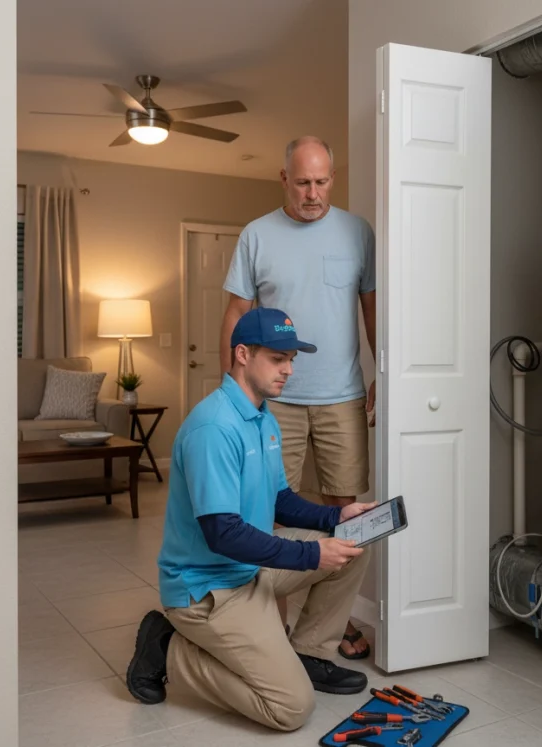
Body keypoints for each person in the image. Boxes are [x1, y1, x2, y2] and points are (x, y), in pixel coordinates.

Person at [126, 307, 375, 732]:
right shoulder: (214, 427)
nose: (289, 370)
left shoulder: (262, 417)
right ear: (243, 354)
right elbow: (222, 533)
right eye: (278, 359)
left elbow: (280, 500)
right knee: (291, 709)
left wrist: (338, 515)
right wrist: (310, 554)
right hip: (209, 590)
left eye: (292, 359)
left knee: (352, 543)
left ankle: (308, 653)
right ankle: (167, 647)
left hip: (249, 569)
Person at [218, 135, 376, 660]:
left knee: (348, 515)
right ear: (283, 178)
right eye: (303, 182)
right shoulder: (257, 235)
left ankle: (319, 638)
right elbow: (237, 315)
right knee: (266, 517)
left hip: (343, 397)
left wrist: (388, 373)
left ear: (333, 177)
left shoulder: (358, 232)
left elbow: (371, 309)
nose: (313, 193)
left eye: (323, 182)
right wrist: (235, 394)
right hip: (272, 399)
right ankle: (275, 638)